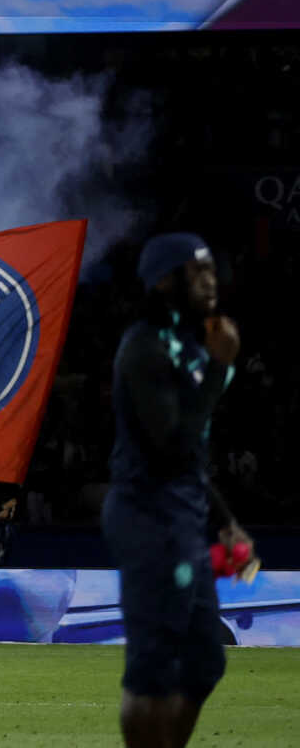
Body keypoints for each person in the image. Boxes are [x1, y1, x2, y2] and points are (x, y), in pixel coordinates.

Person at [105, 234, 251, 748]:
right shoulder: (143, 347)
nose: (212, 281)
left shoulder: (188, 346)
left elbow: (189, 458)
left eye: (212, 269)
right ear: (166, 281)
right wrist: (220, 369)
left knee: (205, 661)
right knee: (153, 668)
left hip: (183, 514)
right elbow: (169, 449)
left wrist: (223, 519)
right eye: (198, 271)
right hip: (146, 517)